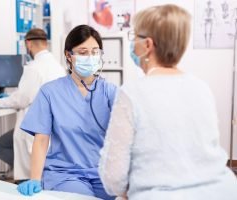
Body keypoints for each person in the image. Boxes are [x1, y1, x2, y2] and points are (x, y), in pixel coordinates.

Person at [99, 4, 237, 200]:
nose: (132, 44)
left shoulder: (132, 93)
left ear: (147, 45)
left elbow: (113, 178)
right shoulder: (201, 88)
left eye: (134, 37)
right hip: (221, 191)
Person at [17, 25, 117, 199]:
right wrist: (34, 178)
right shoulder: (50, 92)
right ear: (69, 56)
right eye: (83, 52)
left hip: (104, 173)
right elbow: (41, 140)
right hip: (66, 173)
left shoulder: (110, 92)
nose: (90, 57)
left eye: (95, 52)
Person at [0, 28, 66, 180]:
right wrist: (10, 96)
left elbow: (22, 100)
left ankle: (30, 177)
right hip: (51, 126)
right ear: (45, 43)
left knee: (0, 146)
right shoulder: (58, 67)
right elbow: (30, 93)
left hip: (33, 128)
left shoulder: (34, 68)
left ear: (28, 44)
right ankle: (37, 175)